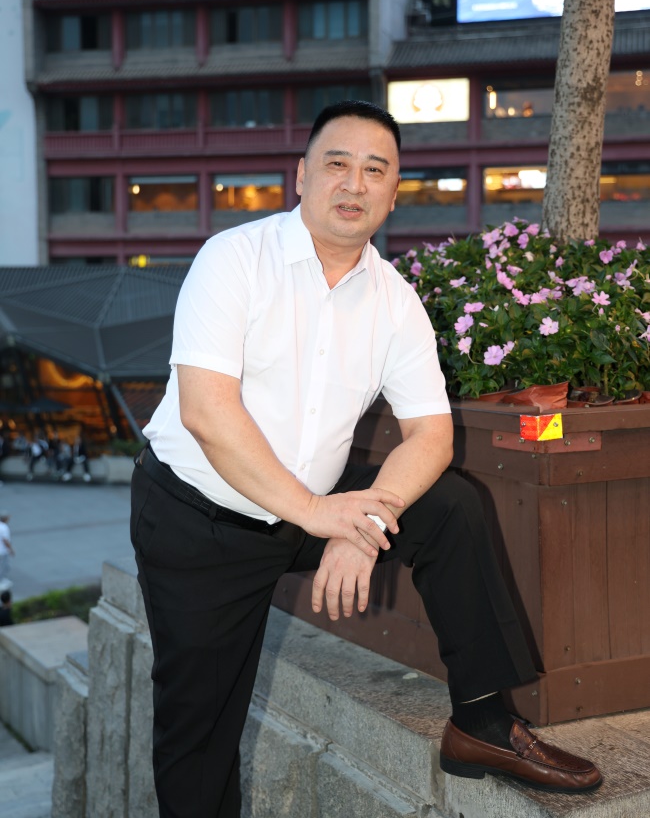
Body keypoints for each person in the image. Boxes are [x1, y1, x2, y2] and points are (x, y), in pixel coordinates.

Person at [131, 101, 601, 818]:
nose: (354, 184)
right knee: (198, 730)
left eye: (374, 170)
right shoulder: (234, 258)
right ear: (301, 175)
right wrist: (322, 515)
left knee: (451, 506)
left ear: (393, 191)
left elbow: (432, 436)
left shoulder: (395, 300)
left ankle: (481, 721)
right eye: (337, 164)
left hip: (312, 504)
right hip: (201, 517)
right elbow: (206, 411)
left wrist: (366, 522)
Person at [0, 513, 15, 587]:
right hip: (2, 551)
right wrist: (11, 550)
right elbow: (5, 540)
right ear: (5, 518)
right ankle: (1, 581)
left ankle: (3, 579)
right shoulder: (4, 527)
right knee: (4, 566)